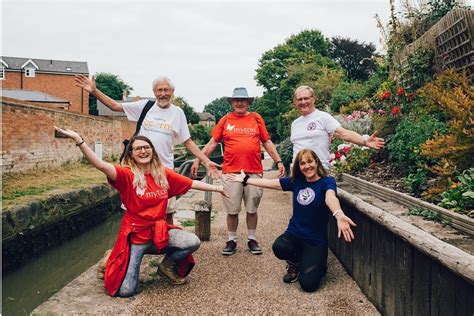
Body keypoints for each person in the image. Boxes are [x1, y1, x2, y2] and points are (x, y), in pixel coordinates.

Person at [54, 126, 228, 297]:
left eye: (146, 147)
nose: (143, 151)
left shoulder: (162, 174)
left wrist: (218, 188)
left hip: (158, 232)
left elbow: (191, 183)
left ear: (152, 151)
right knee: (126, 291)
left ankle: (166, 267)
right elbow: (100, 165)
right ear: (131, 153)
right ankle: (110, 258)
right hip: (136, 236)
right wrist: (79, 141)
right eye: (138, 148)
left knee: (192, 242)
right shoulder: (126, 175)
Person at [75, 75, 219, 225]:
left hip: (164, 171)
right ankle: (134, 244)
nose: (163, 94)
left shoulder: (178, 113)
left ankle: (165, 245)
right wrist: (94, 91)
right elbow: (115, 106)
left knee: (167, 212)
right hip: (139, 170)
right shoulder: (145, 106)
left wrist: (207, 161)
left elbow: (188, 141)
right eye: (159, 90)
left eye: (166, 90)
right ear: (154, 91)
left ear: (172, 91)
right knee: (135, 211)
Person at [227, 149, 356, 292]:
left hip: (315, 241)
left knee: (308, 284)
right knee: (279, 247)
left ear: (316, 162)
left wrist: (338, 214)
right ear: (299, 167)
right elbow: (272, 183)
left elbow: (330, 197)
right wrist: (246, 180)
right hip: (294, 234)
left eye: (310, 161)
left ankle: (318, 264)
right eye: (302, 163)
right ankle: (295, 261)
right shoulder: (297, 182)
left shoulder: (327, 182)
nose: (307, 166)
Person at [191, 87, 285, 256]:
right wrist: (198, 159)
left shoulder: (256, 118)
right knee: (232, 210)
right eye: (237, 100)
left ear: (248, 102)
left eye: (243, 100)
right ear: (232, 102)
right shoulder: (226, 119)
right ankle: (231, 239)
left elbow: (267, 142)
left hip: (253, 172)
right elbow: (213, 143)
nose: (240, 103)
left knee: (252, 209)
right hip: (231, 173)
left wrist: (278, 161)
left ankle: (251, 238)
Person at [291, 85, 384, 170]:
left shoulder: (323, 117)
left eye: (306, 98)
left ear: (313, 99)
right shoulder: (295, 124)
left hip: (317, 171)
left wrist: (364, 141)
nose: (303, 102)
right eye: (300, 99)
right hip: (298, 172)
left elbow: (343, 134)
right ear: (295, 102)